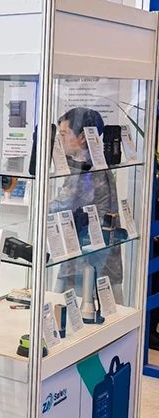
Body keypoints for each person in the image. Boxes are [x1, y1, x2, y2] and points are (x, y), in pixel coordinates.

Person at [52, 107, 123, 302]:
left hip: (88, 262)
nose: (60, 140)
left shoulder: (86, 171)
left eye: (64, 134)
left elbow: (62, 204)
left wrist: (39, 207)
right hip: (98, 257)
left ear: (83, 137)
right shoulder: (98, 165)